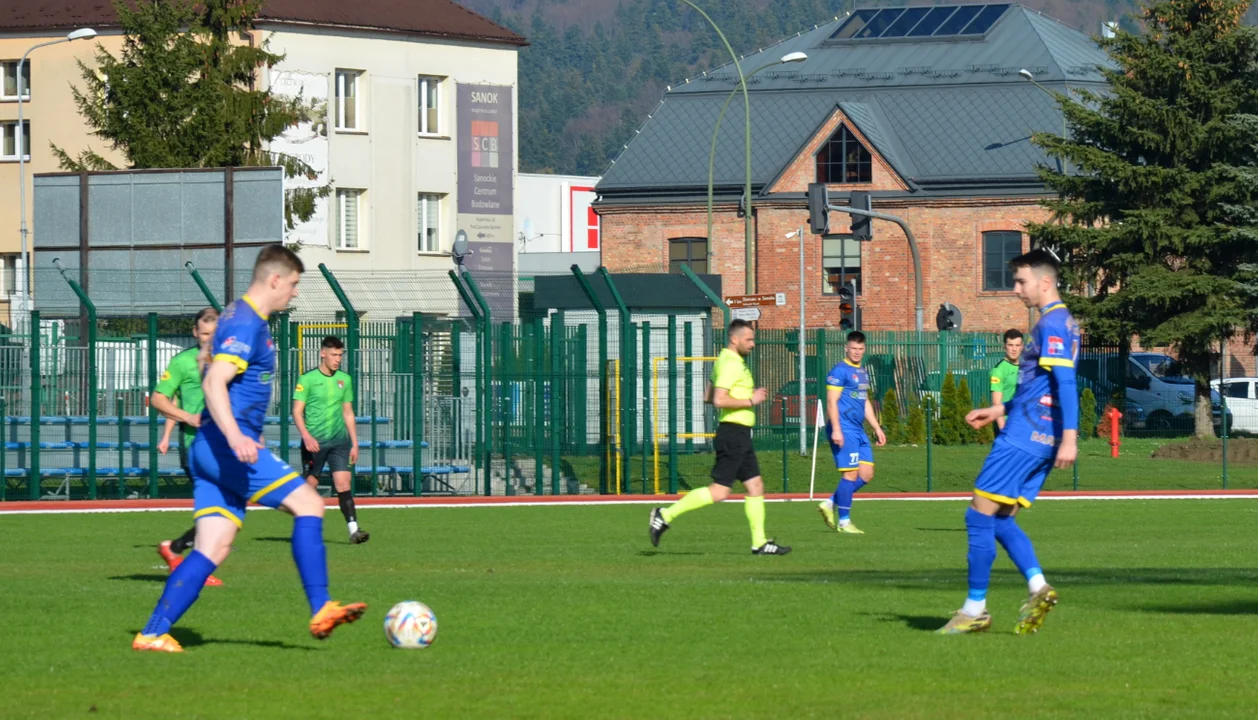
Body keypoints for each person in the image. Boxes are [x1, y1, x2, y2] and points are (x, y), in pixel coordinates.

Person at [133, 245, 366, 653]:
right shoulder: (244, 322)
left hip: (209, 447)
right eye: (293, 284)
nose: (295, 292)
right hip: (227, 446)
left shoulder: (237, 315)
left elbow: (211, 365)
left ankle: (152, 633)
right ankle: (321, 606)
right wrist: (237, 434)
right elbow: (212, 382)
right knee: (310, 505)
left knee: (213, 546)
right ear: (274, 280)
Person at [937, 248, 1078, 635]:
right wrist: (999, 410)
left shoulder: (1052, 323)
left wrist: (1071, 438)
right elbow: (1044, 387)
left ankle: (974, 609)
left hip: (1025, 438)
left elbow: (1066, 383)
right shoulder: (1065, 323)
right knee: (1001, 519)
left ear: (1044, 282)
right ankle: (1037, 586)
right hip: (1038, 436)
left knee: (977, 516)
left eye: (1021, 281)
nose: (1016, 289)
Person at [648, 319, 790, 555]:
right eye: (749, 340)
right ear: (735, 339)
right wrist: (750, 400)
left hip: (740, 433)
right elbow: (718, 400)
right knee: (720, 491)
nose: (753, 344)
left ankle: (760, 543)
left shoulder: (726, 360)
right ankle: (665, 515)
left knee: (755, 485)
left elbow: (708, 395)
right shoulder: (731, 364)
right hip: (733, 433)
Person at [151, 307, 223, 586]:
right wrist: (188, 418)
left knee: (224, 511)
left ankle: (176, 549)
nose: (208, 339)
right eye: (204, 334)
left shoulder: (229, 361)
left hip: (226, 444)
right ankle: (190, 565)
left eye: (214, 334)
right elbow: (160, 399)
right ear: (195, 333)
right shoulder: (182, 362)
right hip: (197, 445)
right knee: (217, 511)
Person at [294, 336, 368, 544]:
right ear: (322, 353)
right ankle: (304, 530)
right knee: (310, 487)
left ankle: (354, 531)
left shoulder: (345, 379)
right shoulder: (307, 379)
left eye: (340, 355)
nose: (337, 359)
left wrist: (354, 442)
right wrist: (306, 436)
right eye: (334, 355)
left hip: (339, 442)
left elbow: (348, 412)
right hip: (314, 442)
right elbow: (297, 412)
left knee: (343, 484)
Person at [817, 331, 886, 534]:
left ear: (864, 349)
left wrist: (876, 427)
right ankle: (844, 522)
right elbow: (831, 401)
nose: (857, 352)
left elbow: (864, 402)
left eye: (860, 349)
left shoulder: (862, 372)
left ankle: (830, 502)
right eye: (853, 348)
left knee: (866, 473)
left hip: (858, 429)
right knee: (850, 473)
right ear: (846, 348)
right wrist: (836, 430)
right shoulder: (839, 371)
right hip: (844, 428)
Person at [989, 329, 1024, 434]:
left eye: (1017, 345)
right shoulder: (998, 370)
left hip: (1023, 424)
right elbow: (996, 403)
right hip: (1007, 424)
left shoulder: (1026, 367)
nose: (1014, 349)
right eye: (1010, 345)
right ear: (1005, 346)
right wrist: (1004, 431)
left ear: (1022, 347)